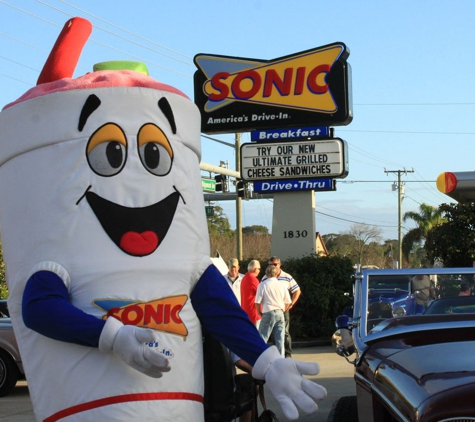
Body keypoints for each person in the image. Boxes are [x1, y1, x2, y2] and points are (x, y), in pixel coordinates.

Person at [262, 256, 301, 358]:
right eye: (270, 264)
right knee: (273, 334)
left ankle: (287, 354)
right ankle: (276, 355)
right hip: (270, 309)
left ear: (280, 265)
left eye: (275, 264)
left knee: (285, 333)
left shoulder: (287, 277)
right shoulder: (265, 278)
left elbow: (297, 290)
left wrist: (291, 304)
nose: (273, 266)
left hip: (283, 309)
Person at [255, 265, 292, 357]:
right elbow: (288, 301)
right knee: (280, 339)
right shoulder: (281, 285)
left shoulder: (262, 284)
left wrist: (259, 312)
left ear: (266, 274)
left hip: (268, 312)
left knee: (263, 338)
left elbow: (257, 301)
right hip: (280, 312)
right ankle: (281, 359)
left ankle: (260, 357)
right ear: (276, 274)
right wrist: (283, 310)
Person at [240, 260, 262, 328]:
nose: (259, 271)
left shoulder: (244, 278)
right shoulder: (253, 279)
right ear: (255, 269)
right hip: (254, 313)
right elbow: (261, 294)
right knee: (257, 336)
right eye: (259, 269)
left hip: (246, 311)